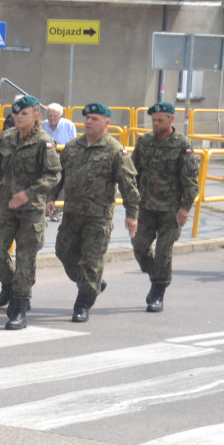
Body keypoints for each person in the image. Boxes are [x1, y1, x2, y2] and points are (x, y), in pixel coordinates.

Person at [47, 102, 139, 323]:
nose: (89, 122)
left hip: (98, 217)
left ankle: (82, 304)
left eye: (94, 119)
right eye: (86, 118)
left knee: (91, 261)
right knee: (63, 252)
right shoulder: (72, 147)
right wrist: (51, 197)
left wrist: (132, 214)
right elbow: (59, 175)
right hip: (72, 213)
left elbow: (128, 185)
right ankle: (93, 283)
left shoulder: (115, 151)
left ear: (106, 123)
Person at [0, 95, 61, 329]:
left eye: (23, 113)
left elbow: (54, 174)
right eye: (15, 114)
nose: (18, 117)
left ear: (36, 115)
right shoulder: (6, 138)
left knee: (26, 258)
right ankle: (9, 284)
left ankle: (20, 307)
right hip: (5, 206)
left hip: (31, 210)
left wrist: (30, 192)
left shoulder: (44, 142)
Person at [131, 102, 199, 311]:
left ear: (171, 119)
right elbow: (133, 173)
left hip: (171, 209)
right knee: (139, 247)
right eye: (153, 120)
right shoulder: (144, 142)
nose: (156, 123)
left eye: (160, 120)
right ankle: (158, 274)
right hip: (146, 207)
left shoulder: (182, 145)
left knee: (163, 251)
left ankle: (157, 292)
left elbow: (190, 179)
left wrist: (185, 207)